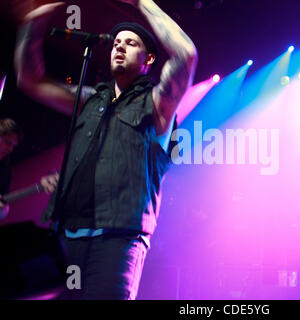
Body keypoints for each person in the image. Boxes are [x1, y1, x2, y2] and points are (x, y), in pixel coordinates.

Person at [15, 0, 197, 299]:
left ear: (148, 58)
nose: (119, 47)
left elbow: (186, 54)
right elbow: (30, 80)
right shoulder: (90, 100)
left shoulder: (157, 103)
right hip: (69, 234)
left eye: (130, 43)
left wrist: (142, 2)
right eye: (116, 42)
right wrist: (33, 22)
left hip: (119, 238)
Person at [0, 118, 58, 219]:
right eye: (8, 143)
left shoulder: (5, 170)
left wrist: (3, 209)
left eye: (13, 146)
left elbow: (3, 206)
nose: (11, 149)